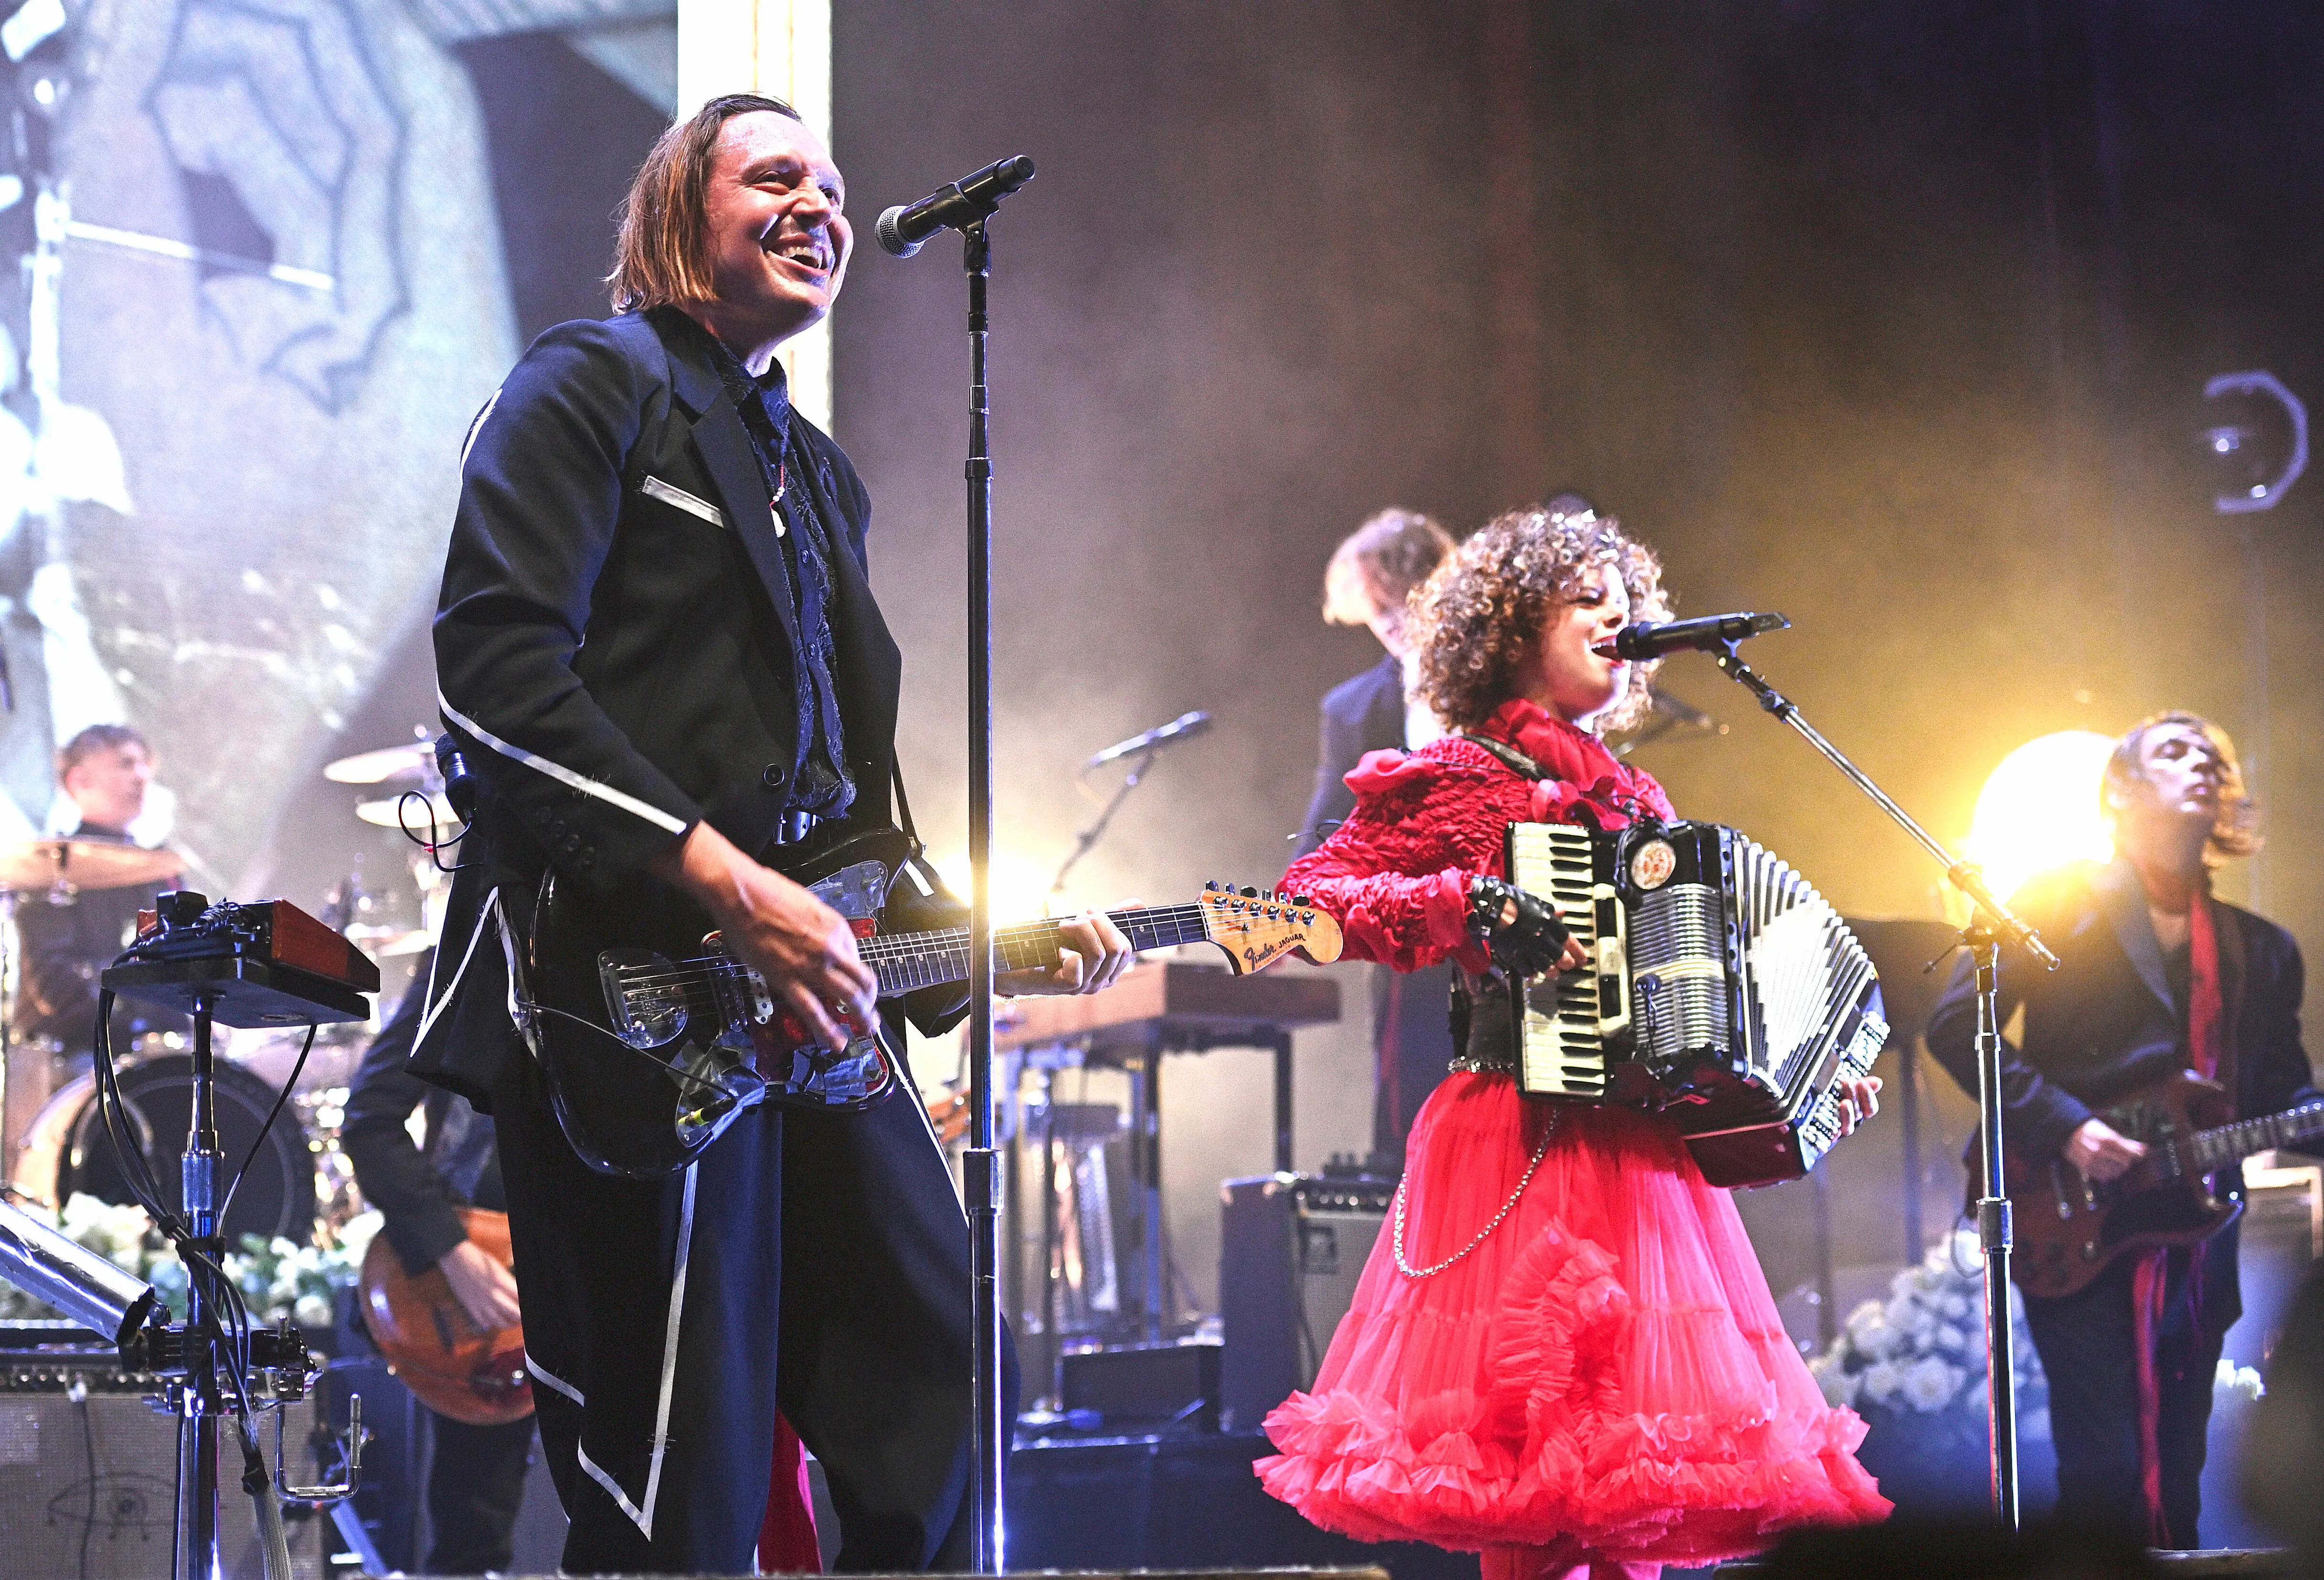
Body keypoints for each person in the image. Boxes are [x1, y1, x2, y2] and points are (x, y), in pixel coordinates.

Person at [413, 93, 1134, 1574]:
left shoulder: (816, 472)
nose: (818, 204)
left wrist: (974, 948)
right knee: (679, 1472)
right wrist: (719, 878)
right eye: (775, 177)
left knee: (928, 1377)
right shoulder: (587, 384)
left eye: (832, 182)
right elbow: (494, 672)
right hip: (629, 990)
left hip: (806, 1007)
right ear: (681, 210)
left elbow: (843, 793)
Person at [1257, 506, 1890, 1580]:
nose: (1620, 616)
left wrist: (1803, 1076)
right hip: (1512, 1139)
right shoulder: (1455, 776)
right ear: (1510, 629)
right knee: (1533, 1502)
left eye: (1627, 600)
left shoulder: (1639, 797)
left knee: (1631, 1491)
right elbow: (1293, 908)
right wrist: (1469, 905)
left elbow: (1699, 997)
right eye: (1587, 597)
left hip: (1639, 1162)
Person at [1926, 711, 2317, 1548]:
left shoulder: (2261, 949)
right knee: (2102, 1465)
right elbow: (1958, 1023)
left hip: (2196, 1224)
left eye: (2213, 753)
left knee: (2179, 1470)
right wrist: (2068, 1128)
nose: (2202, 764)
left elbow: (2286, 1098)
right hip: (2069, 1213)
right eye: (2172, 752)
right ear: (2122, 788)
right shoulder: (2054, 900)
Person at [340, 951, 537, 1575]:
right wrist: (451, 1251)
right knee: (472, 1535)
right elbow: (371, 1122)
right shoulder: (471, 953)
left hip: (614, 1282)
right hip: (483, 1296)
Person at [1296, 507, 1457, 1163]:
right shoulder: (1353, 707)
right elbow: (1327, 816)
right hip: (1414, 940)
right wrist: (1292, 909)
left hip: (1505, 923)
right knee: (1410, 1109)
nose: (1388, 629)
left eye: (1395, 608)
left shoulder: (1501, 678)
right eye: (1376, 615)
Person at [16, 724, 180, 1047]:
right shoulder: (53, 869)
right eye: (126, 764)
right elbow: (55, 984)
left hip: (158, 1044)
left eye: (144, 765)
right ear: (80, 781)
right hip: (84, 1051)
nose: (142, 775)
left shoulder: (160, 872)